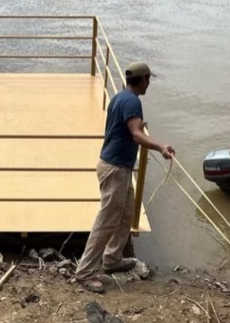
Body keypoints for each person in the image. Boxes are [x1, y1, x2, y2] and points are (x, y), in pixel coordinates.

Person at [75, 62, 175, 294]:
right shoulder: (133, 101)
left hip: (117, 167)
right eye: (148, 80)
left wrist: (140, 127)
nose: (149, 84)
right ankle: (85, 271)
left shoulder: (121, 98)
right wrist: (161, 146)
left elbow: (128, 128)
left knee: (126, 213)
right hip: (115, 169)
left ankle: (112, 259)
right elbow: (136, 134)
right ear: (142, 80)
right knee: (107, 220)